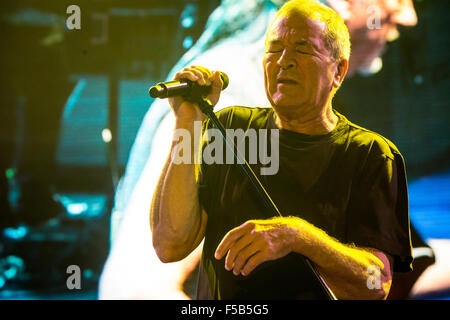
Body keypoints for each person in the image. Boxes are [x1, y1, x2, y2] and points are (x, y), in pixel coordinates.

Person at [150, 0, 413, 300]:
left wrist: (299, 236)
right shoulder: (231, 128)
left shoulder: (371, 154)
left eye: (302, 49)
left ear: (338, 71)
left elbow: (374, 285)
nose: (283, 61)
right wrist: (187, 124)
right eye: (274, 49)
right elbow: (169, 245)